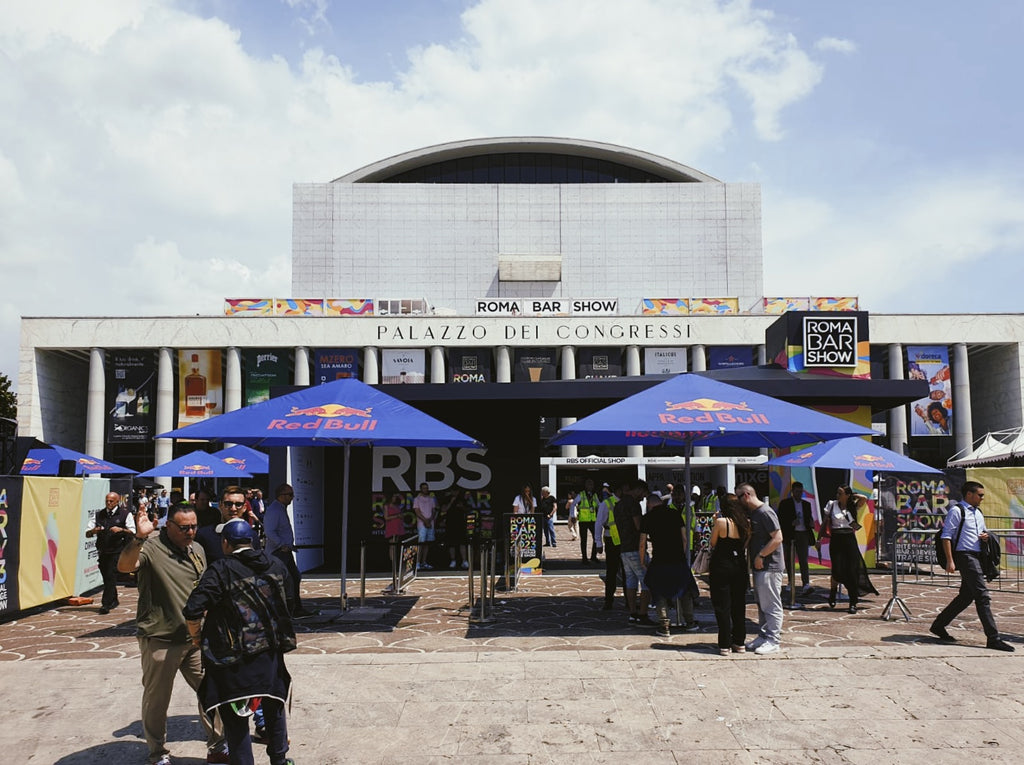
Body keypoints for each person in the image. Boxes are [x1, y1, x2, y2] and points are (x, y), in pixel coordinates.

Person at [117, 503, 227, 765]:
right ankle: (157, 753)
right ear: (169, 526)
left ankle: (217, 746)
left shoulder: (196, 548)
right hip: (161, 639)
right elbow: (124, 566)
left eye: (193, 526)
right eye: (184, 527)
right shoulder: (151, 547)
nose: (190, 532)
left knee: (212, 692)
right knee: (157, 701)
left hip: (195, 640)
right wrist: (139, 537)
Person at [183, 517, 298, 765]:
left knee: (235, 718)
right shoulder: (277, 565)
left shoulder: (220, 569)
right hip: (269, 654)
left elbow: (192, 609)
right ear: (252, 541)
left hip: (232, 660)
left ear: (225, 543)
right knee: (273, 706)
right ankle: (280, 760)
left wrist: (196, 638)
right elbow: (290, 602)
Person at [930, 481, 1014, 651]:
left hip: (976, 556)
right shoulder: (957, 511)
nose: (982, 498)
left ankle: (938, 625)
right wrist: (950, 560)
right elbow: (946, 537)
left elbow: (982, 532)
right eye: (980, 495)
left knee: (966, 596)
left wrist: (985, 537)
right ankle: (993, 638)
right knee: (982, 596)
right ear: (969, 494)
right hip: (965, 555)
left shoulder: (978, 513)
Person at [640, 491, 697, 638]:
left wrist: (642, 561)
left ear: (649, 505)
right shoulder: (674, 514)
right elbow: (685, 538)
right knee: (684, 590)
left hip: (659, 560)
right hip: (677, 559)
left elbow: (642, 543)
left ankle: (664, 625)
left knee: (659, 593)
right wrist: (683, 555)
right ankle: (690, 622)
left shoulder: (647, 518)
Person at [737, 483, 784, 655]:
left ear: (747, 495)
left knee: (771, 604)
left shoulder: (765, 512)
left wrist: (761, 555)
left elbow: (778, 538)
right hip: (760, 567)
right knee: (762, 604)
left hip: (770, 566)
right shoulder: (755, 513)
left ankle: (773, 640)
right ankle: (763, 636)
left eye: (739, 497)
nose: (738, 501)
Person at [820, 485, 878, 613]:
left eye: (841, 493)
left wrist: (853, 495)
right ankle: (833, 593)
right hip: (836, 538)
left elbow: (864, 499)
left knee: (852, 570)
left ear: (847, 495)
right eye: (838, 492)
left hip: (849, 539)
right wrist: (819, 539)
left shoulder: (852, 506)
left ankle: (853, 602)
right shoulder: (832, 504)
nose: (838, 495)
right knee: (837, 568)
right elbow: (825, 522)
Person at [709, 497, 751, 654]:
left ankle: (725, 644)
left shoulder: (721, 522)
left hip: (722, 565)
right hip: (739, 565)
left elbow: (712, 543)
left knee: (722, 605)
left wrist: (715, 522)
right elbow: (746, 544)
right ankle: (739, 642)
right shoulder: (745, 522)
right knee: (739, 604)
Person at [263, 483, 311, 616]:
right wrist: (281, 545)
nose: (292, 498)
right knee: (285, 580)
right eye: (290, 495)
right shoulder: (274, 511)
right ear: (281, 496)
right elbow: (269, 531)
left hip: (285, 551)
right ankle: (287, 609)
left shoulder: (280, 509)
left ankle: (295, 607)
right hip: (278, 553)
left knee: (294, 578)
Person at [85, 491, 135, 614]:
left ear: (117, 502)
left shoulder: (125, 514)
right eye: (107, 501)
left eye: (111, 501)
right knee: (106, 576)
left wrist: (121, 530)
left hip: (118, 550)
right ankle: (114, 599)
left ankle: (105, 604)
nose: (108, 503)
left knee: (110, 574)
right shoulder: (99, 515)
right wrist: (94, 531)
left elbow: (132, 531)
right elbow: (87, 533)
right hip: (103, 550)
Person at [615, 480, 652, 625]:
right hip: (636, 548)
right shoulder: (633, 504)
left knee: (630, 581)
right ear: (638, 489)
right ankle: (643, 614)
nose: (643, 498)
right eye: (643, 494)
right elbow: (639, 526)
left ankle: (633, 613)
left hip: (624, 548)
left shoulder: (618, 505)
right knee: (646, 581)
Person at [196, 486, 261, 565]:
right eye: (228, 504)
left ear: (244, 508)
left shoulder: (252, 536)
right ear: (220, 505)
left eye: (238, 504)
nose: (233, 509)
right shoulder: (204, 535)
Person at [777, 481, 816, 595]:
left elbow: (809, 518)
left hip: (803, 533)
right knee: (789, 560)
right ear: (793, 492)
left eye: (801, 491)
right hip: (790, 534)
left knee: (803, 560)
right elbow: (781, 519)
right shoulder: (785, 504)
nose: (799, 494)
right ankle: (791, 581)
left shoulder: (806, 504)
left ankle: (806, 583)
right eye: (797, 491)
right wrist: (791, 523)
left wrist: (811, 523)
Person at [594, 484, 621, 611]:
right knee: (612, 571)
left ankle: (629, 600)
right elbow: (599, 523)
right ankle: (608, 600)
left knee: (628, 573)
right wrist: (598, 542)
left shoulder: (628, 502)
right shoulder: (607, 503)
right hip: (611, 540)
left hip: (626, 540)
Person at [576, 479, 601, 564]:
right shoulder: (581, 494)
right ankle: (584, 558)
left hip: (592, 520)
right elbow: (573, 504)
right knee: (584, 540)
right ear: (585, 485)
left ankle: (593, 556)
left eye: (592, 484)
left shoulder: (594, 495)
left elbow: (599, 505)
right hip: (583, 520)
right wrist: (573, 515)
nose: (590, 486)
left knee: (596, 538)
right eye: (589, 484)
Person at [413, 482, 437, 570]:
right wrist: (425, 520)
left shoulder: (431, 499)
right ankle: (418, 563)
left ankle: (424, 562)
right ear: (420, 489)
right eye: (423, 488)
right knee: (421, 543)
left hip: (430, 524)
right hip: (422, 524)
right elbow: (417, 511)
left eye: (426, 488)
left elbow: (434, 511)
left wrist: (429, 520)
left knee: (427, 543)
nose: (425, 489)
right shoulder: (417, 499)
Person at [444, 490, 470, 569]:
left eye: (456, 491)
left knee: (462, 543)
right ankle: (453, 561)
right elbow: (444, 510)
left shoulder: (462, 499)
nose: (455, 493)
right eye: (453, 491)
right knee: (451, 543)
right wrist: (451, 502)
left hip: (460, 524)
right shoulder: (447, 499)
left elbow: (467, 510)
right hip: (450, 524)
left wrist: (462, 507)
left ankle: (464, 561)